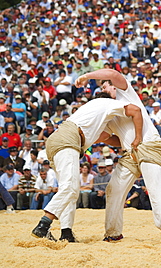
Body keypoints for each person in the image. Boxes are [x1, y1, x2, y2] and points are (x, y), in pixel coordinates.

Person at [75, 69, 161, 246]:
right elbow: (110, 138)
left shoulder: (125, 94)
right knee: (113, 189)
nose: (107, 86)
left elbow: (113, 74)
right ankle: (113, 232)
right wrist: (83, 144)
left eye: (106, 84)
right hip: (130, 153)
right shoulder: (110, 112)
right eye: (105, 86)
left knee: (155, 189)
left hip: (148, 145)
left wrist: (87, 76)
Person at [32, 95, 143, 243]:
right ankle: (43, 225)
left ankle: (66, 233)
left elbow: (107, 138)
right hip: (68, 139)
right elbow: (136, 110)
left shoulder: (92, 114)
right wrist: (138, 137)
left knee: (68, 192)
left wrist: (127, 142)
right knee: (71, 188)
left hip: (57, 139)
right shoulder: (106, 103)